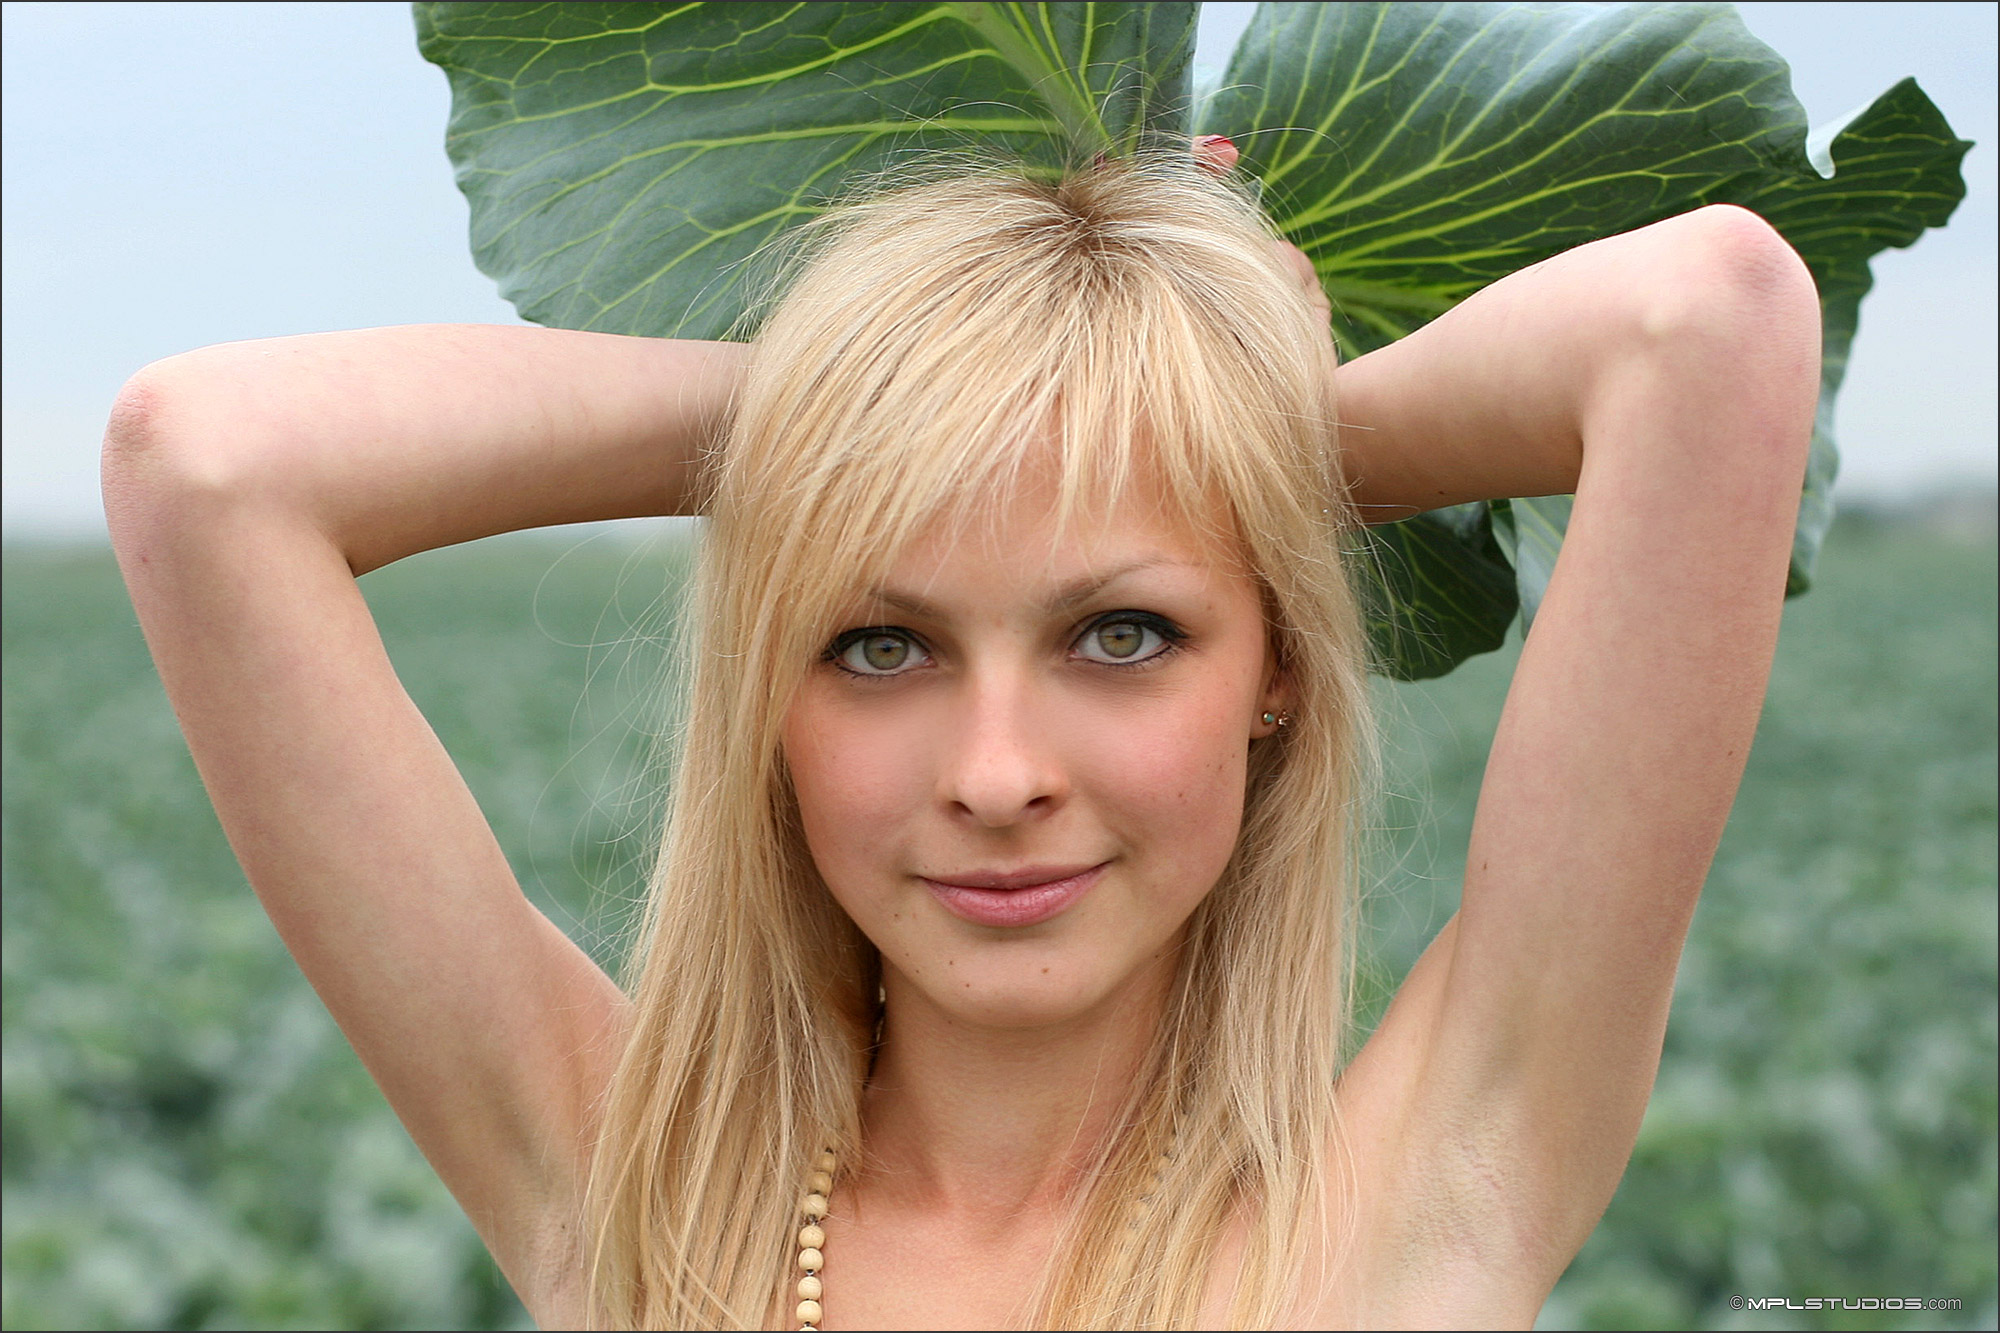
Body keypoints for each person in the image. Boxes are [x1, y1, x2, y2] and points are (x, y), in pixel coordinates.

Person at [101, 137, 1819, 1329]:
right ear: (769, 702)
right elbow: (208, 463)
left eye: (1122, 632)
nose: (998, 775)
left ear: (1279, 665)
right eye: (878, 643)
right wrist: (865, 410)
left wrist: (1205, 411)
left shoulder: (1428, 1196)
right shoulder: (637, 1210)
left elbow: (1706, 321)